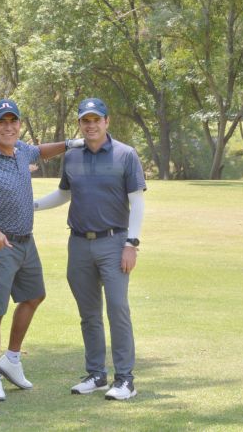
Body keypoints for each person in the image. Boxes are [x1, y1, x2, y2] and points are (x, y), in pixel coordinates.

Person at [0, 98, 84, 402]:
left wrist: (73, 142)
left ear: (19, 124)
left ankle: (12, 359)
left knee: (34, 296)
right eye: (2, 122)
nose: (8, 127)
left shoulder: (21, 151)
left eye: (13, 121)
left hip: (26, 241)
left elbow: (42, 150)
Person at [33, 97, 146, 400]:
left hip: (114, 242)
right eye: (86, 120)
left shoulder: (126, 155)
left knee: (118, 310)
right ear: (80, 124)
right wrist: (30, 206)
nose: (91, 125)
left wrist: (131, 244)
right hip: (79, 243)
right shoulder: (72, 157)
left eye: (97, 119)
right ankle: (96, 374)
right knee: (89, 314)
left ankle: (125, 380)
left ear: (107, 122)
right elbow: (63, 194)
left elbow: (137, 201)